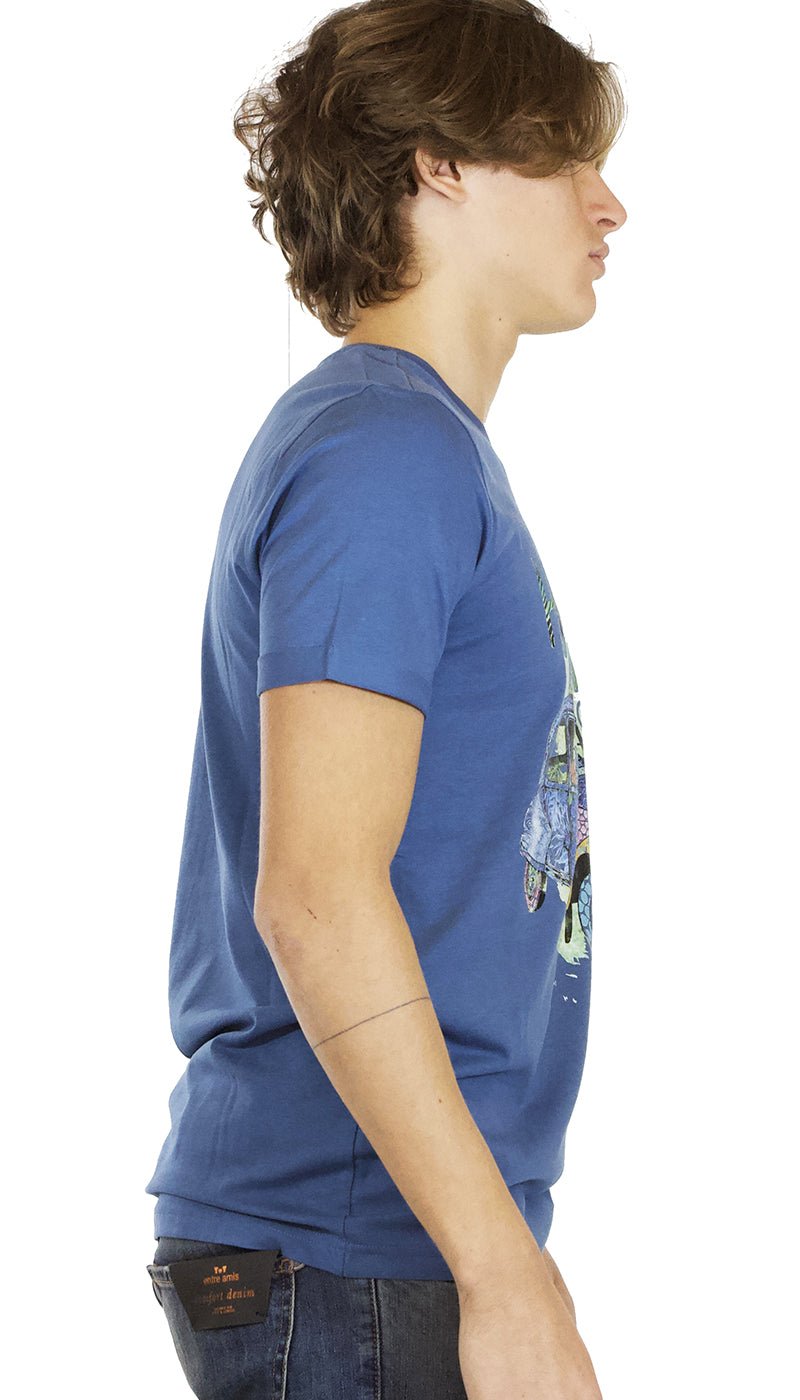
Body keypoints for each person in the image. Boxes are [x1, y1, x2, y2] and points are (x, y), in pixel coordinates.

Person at [143, 1, 628, 1396]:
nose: (608, 204)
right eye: (564, 158)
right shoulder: (385, 452)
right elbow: (314, 893)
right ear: (441, 166)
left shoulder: (412, 448)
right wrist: (505, 1275)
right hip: (354, 1245)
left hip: (364, 1241)